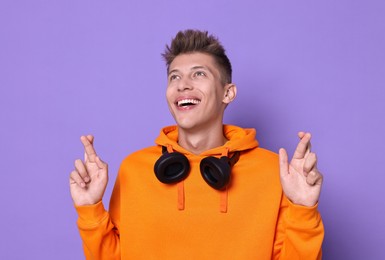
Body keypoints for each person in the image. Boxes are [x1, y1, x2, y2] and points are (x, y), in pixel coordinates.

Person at [69, 29, 324, 259]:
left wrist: (303, 210)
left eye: (199, 74)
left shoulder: (274, 171)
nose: (183, 85)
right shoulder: (134, 169)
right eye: (174, 77)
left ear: (228, 93)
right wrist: (90, 209)